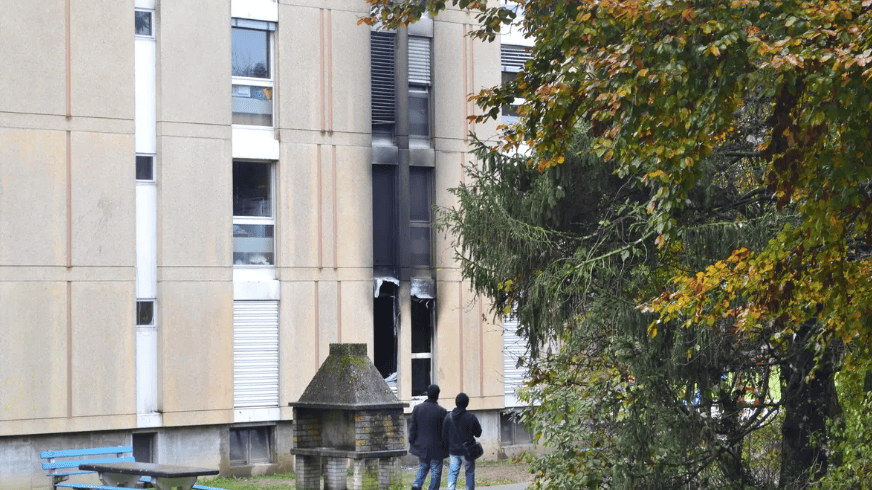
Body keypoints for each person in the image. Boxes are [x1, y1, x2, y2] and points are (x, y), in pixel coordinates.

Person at [408, 384, 448, 490]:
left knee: (423, 466)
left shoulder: (417, 409)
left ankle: (416, 485)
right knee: (435, 469)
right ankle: (433, 488)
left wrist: (411, 440)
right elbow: (445, 432)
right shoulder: (442, 411)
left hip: (422, 446)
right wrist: (446, 445)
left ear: (427, 393)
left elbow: (412, 427)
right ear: (437, 395)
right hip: (437, 447)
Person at [442, 392, 482, 490]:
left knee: (453, 474)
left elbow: (444, 436)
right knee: (469, 474)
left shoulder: (448, 417)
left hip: (453, 452)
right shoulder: (471, 417)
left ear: (456, 402)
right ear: (467, 404)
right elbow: (478, 433)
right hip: (468, 452)